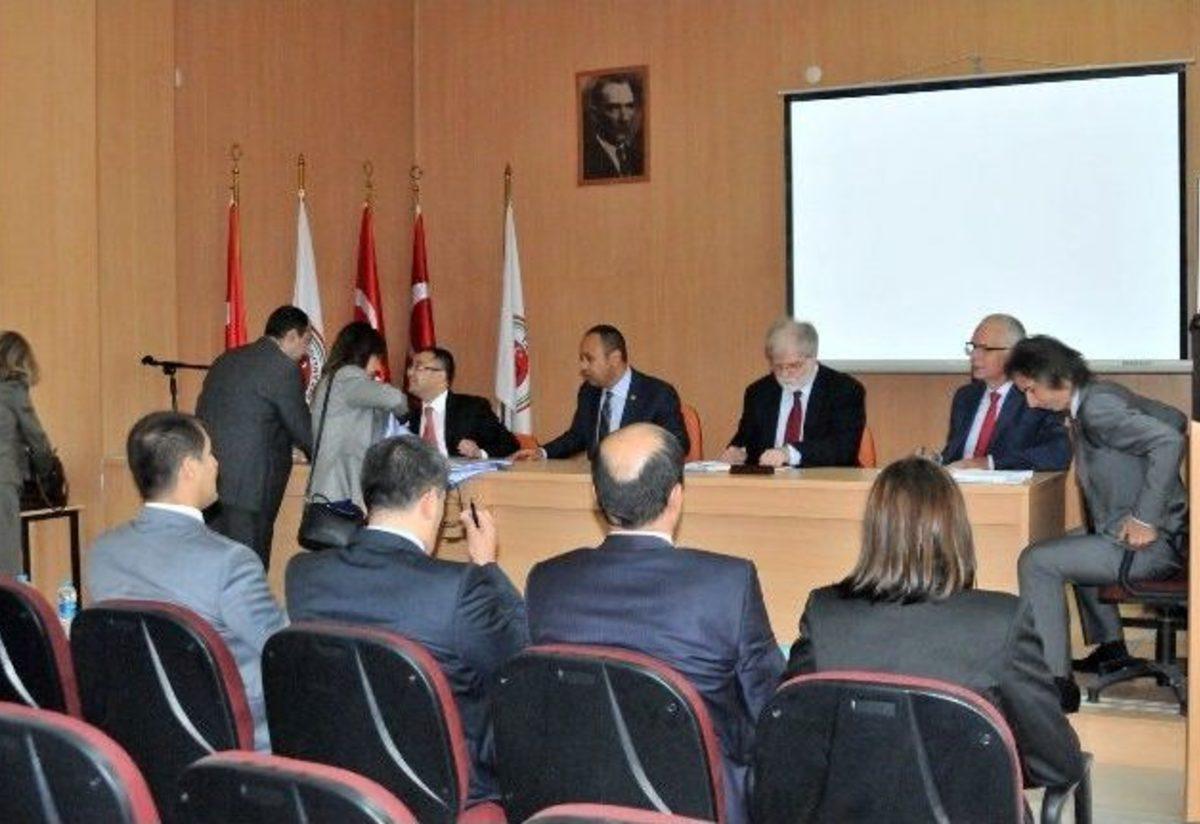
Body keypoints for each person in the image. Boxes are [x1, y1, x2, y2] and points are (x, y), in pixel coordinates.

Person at [526, 423, 783, 824]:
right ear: (677, 497)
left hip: (580, 801)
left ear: (596, 496)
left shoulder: (546, 580)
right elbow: (770, 715)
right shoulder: (729, 583)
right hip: (698, 807)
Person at [785, 457, 1083, 790]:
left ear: (875, 532)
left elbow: (788, 740)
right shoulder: (1002, 621)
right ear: (956, 531)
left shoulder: (824, 613)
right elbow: (1057, 765)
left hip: (844, 808)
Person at [286, 436, 528, 800]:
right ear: (430, 502)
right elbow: (523, 666)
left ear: (367, 499)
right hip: (446, 790)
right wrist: (488, 567)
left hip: (340, 780)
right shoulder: (459, 589)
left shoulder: (303, 574)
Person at [88, 411, 287, 751]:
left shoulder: (103, 552)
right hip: (234, 737)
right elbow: (281, 648)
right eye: (210, 454)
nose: (216, 464)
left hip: (138, 732)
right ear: (189, 469)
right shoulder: (231, 563)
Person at [1010, 335, 1187, 710]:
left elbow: (1170, 440)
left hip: (1151, 547)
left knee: (1036, 561)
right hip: (1163, 534)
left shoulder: (1098, 408)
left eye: (1031, 390)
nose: (1030, 402)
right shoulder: (1100, 394)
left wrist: (1144, 516)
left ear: (1058, 378)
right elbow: (1175, 417)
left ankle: (1055, 686)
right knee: (1071, 541)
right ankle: (1112, 648)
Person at [196, 305, 314, 569]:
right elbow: (303, 430)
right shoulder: (283, 368)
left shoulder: (225, 359)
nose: (306, 351)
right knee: (248, 570)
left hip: (210, 485)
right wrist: (320, 454)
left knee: (214, 567)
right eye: (306, 341)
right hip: (251, 490)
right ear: (291, 336)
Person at [515, 324, 688, 460]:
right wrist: (542, 452)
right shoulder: (589, 391)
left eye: (589, 359)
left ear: (615, 359)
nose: (583, 366)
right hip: (597, 482)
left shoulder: (657, 394)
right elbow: (577, 436)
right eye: (581, 359)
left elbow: (678, 444)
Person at [720, 318, 864, 467]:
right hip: (772, 480)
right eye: (778, 366)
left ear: (813, 357)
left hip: (824, 478)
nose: (785, 373)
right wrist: (736, 452)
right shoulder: (758, 393)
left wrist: (789, 453)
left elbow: (843, 448)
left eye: (794, 366)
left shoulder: (844, 390)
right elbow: (744, 440)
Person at [938, 313, 1069, 470]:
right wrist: (934, 461)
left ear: (1014, 354)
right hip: (961, 485)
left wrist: (988, 463)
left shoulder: (1035, 397)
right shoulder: (965, 397)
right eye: (973, 347)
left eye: (985, 349)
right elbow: (953, 455)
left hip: (1008, 485)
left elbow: (1057, 454)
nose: (974, 356)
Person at [308, 322, 407, 510]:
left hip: (328, 487)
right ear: (364, 353)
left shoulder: (332, 379)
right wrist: (404, 415)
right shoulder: (349, 378)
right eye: (377, 358)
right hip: (339, 489)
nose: (378, 367)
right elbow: (396, 399)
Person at [0, 332, 55, 576]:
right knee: (6, 560)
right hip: (2, 481)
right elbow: (37, 440)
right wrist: (47, 473)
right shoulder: (13, 389)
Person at [402, 347, 520, 459]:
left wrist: (479, 453)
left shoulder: (472, 409)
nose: (409, 372)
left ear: (441, 375)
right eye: (410, 367)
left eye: (418, 367)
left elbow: (509, 444)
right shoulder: (410, 417)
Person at [581, 73, 645, 179]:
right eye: (614, 108)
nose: (624, 118)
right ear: (595, 114)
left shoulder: (639, 159)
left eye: (629, 106)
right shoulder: (584, 161)